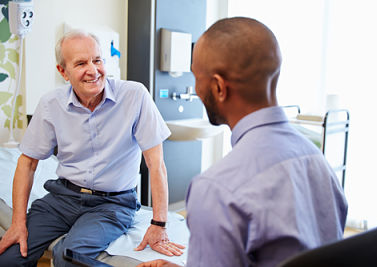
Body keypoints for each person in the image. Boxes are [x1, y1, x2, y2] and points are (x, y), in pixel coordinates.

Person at [138, 17, 348, 267]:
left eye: (196, 77)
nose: (195, 89)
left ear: (218, 87)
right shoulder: (315, 158)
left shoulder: (216, 189)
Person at [0, 30, 184, 266]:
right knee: (9, 257)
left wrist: (159, 224)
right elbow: (27, 163)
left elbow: (156, 164)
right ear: (63, 72)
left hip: (112, 204)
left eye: (97, 60)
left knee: (68, 258)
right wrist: (17, 222)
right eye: (80, 63)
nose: (93, 70)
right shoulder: (51, 104)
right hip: (61, 198)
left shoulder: (135, 96)